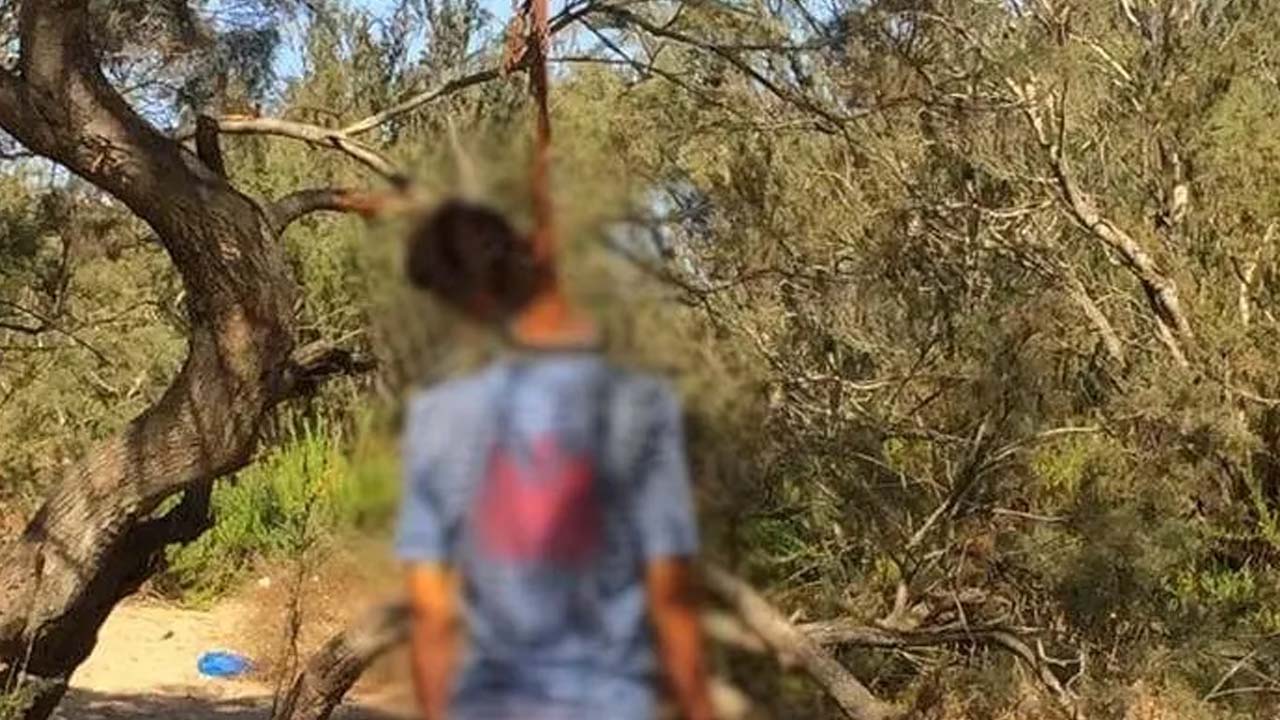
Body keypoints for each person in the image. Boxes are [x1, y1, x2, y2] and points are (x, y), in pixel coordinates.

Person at [395, 200, 715, 720]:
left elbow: (432, 615)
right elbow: (671, 596)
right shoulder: (640, 404)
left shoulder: (436, 419)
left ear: (462, 302)